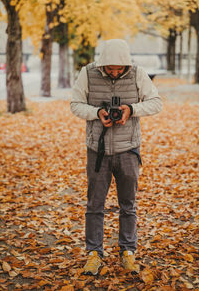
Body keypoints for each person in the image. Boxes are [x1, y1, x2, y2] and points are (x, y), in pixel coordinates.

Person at [70, 39, 162, 275]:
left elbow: (156, 103)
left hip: (128, 150)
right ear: (102, 64)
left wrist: (131, 110)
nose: (113, 72)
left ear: (125, 65)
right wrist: (96, 113)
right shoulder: (88, 74)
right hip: (97, 151)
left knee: (128, 205)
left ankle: (127, 252)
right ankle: (93, 254)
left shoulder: (138, 74)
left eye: (118, 68)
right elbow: (75, 105)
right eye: (109, 68)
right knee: (94, 205)